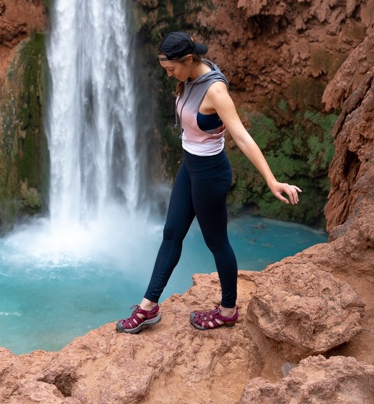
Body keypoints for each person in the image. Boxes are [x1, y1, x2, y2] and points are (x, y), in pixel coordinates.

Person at [116, 31, 302, 334]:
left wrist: (271, 180)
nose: (169, 75)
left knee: (217, 242)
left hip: (211, 174)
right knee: (171, 234)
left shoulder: (215, 91)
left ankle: (228, 309)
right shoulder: (190, 78)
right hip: (190, 167)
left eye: (171, 69)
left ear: (189, 60)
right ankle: (148, 307)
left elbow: (241, 136)